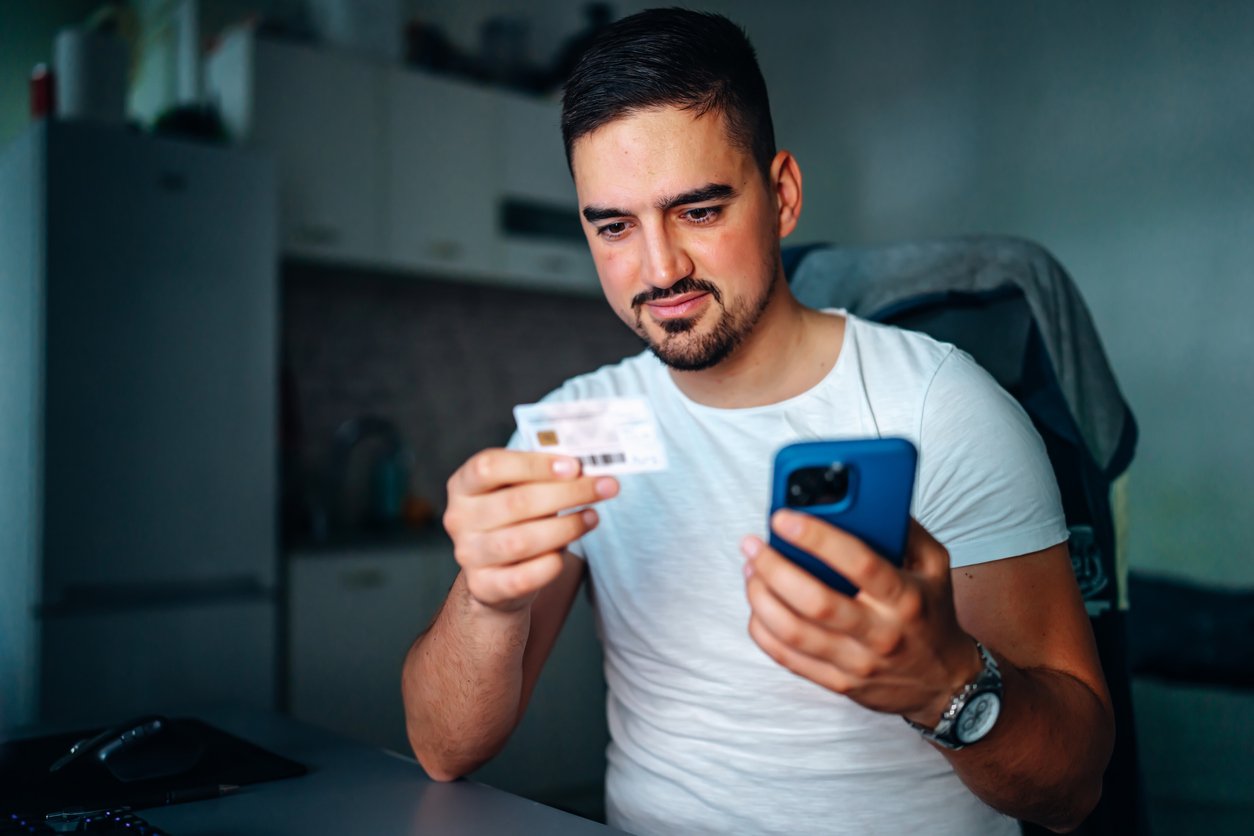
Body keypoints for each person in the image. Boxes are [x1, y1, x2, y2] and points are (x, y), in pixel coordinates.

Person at [402, 8, 1113, 835]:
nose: (659, 268)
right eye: (614, 226)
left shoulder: (942, 408)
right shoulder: (573, 429)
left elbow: (1076, 787)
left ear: (781, 196)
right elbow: (443, 751)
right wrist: (486, 600)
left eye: (698, 211)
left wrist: (944, 682)